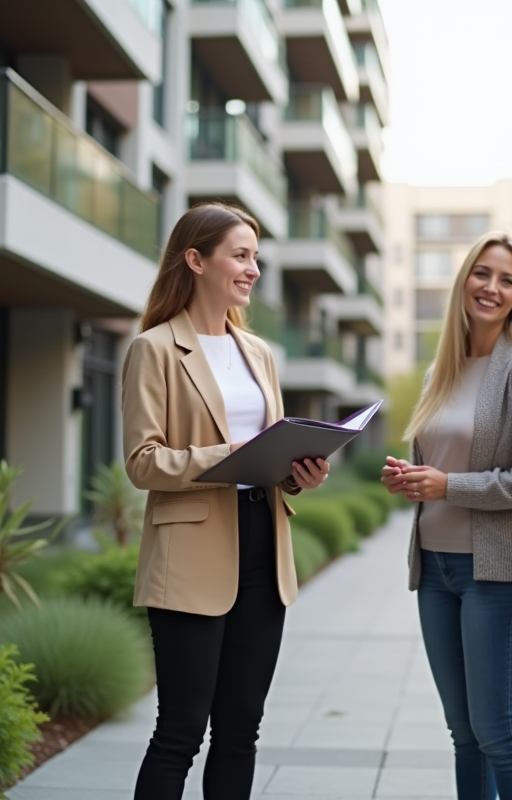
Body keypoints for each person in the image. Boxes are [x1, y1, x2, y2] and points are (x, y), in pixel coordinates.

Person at [122, 202, 330, 800]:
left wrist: (295, 474)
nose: (252, 270)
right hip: (189, 555)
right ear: (196, 260)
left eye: (255, 258)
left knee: (241, 729)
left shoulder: (258, 352)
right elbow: (142, 462)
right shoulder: (154, 349)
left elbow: (268, 456)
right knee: (180, 730)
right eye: (240, 256)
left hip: (263, 545)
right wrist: (227, 455)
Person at [382, 231, 512, 800]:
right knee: (464, 735)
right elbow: (439, 462)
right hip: (435, 571)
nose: (491, 287)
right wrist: (411, 476)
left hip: (494, 575)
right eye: (482, 273)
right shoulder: (439, 372)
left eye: (507, 280)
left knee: (497, 731)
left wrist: (448, 485)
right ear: (464, 281)